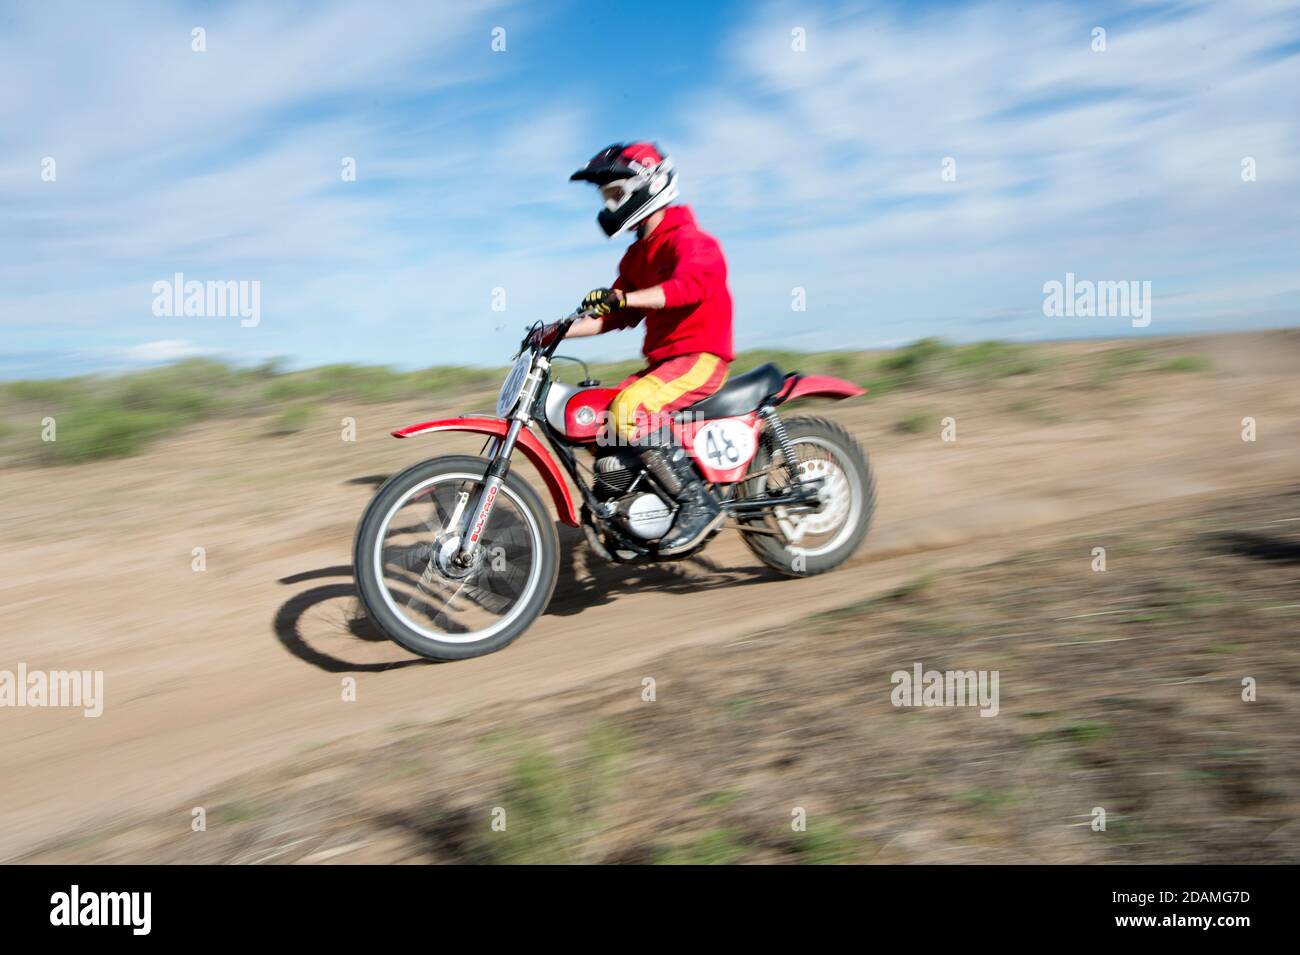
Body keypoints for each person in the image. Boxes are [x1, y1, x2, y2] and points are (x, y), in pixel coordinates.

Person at [533, 142, 734, 555]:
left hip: (699, 358)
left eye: (614, 194)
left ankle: (698, 504)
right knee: (602, 413)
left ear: (648, 186)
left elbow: (687, 288)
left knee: (630, 410)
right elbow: (616, 315)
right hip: (664, 363)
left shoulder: (692, 241)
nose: (608, 206)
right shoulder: (636, 255)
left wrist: (623, 299)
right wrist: (556, 331)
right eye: (605, 197)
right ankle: (627, 509)